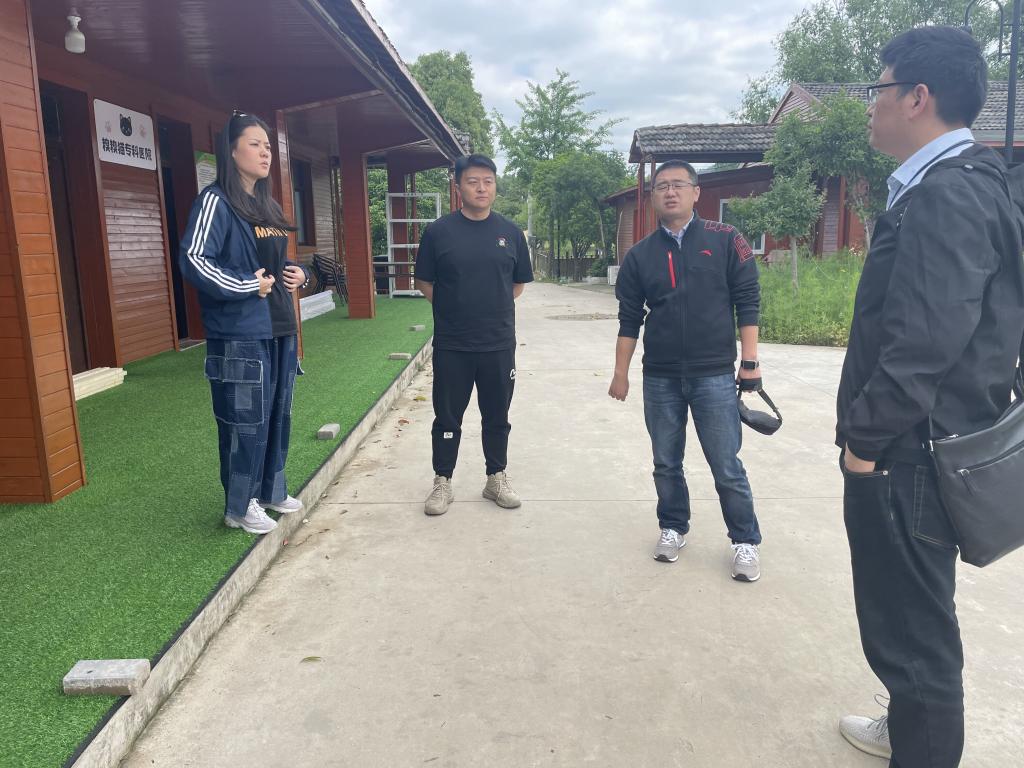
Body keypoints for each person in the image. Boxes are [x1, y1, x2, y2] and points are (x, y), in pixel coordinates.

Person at [836, 27, 1024, 767]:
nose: (871, 105)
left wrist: (864, 443)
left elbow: (924, 343)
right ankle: (906, 725)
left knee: (914, 638)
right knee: (915, 618)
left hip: (907, 452)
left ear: (917, 97)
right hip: (924, 444)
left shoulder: (947, 193)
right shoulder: (972, 183)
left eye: (878, 89)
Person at [609, 160, 764, 581]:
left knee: (726, 464)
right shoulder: (640, 255)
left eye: (678, 184)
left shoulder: (726, 238)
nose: (670, 192)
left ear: (696, 192)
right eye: (661, 186)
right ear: (653, 197)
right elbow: (629, 318)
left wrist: (750, 362)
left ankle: (745, 540)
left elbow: (747, 300)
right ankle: (673, 526)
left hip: (713, 374)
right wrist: (621, 372)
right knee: (665, 461)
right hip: (660, 376)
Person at [179, 111, 309, 535]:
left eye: (268, 145)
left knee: (277, 413)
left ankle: (270, 490)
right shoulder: (215, 201)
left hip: (279, 327)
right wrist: (245, 285)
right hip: (239, 333)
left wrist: (300, 274)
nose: (265, 152)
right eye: (255, 144)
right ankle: (239, 506)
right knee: (243, 421)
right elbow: (194, 259)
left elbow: (272, 262)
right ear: (231, 151)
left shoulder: (267, 205)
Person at [413, 154, 533, 516]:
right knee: (447, 417)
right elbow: (425, 282)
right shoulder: (439, 232)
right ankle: (442, 481)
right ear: (458, 187)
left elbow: (516, 285)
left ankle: (496, 477)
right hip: (453, 343)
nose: (481, 188)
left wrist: (488, 307)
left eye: (488, 181)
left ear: (495, 186)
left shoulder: (511, 233)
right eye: (473, 181)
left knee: (497, 414)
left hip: (498, 342)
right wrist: (455, 308)